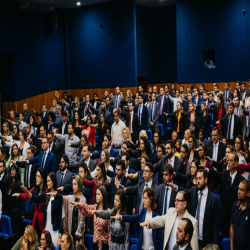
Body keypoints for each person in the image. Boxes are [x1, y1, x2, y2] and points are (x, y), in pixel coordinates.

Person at [170, 169, 220, 248]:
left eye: (200, 178)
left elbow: (216, 225)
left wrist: (215, 245)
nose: (198, 181)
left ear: (206, 180)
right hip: (192, 238)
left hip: (206, 241)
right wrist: (176, 187)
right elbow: (185, 191)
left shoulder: (213, 199)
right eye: (197, 179)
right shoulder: (194, 191)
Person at [204, 152, 245, 239]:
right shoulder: (224, 174)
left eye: (231, 160)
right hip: (223, 216)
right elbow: (215, 174)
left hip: (235, 216)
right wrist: (206, 170)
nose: (228, 162)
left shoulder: (241, 180)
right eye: (228, 160)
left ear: (236, 163)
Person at [21, 172, 62, 247]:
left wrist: (60, 234)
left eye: (49, 181)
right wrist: (27, 191)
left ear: (53, 181)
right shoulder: (46, 195)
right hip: (46, 228)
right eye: (47, 181)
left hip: (55, 231)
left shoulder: (58, 196)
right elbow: (34, 198)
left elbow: (60, 217)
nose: (47, 183)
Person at [47, 175, 86, 244]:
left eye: (75, 184)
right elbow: (63, 197)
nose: (73, 186)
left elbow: (82, 221)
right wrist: (55, 195)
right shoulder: (71, 197)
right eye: (72, 184)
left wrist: (77, 237)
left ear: (79, 185)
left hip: (78, 235)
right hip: (70, 233)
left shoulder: (83, 200)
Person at [72, 185, 110, 250]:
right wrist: (79, 204)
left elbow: (109, 232)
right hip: (95, 242)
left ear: (103, 196)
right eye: (96, 194)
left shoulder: (108, 211)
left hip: (104, 244)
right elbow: (87, 208)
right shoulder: (95, 207)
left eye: (98, 194)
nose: (96, 196)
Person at [12, 168, 47, 239]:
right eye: (36, 176)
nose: (36, 178)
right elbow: (26, 195)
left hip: (43, 221)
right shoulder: (35, 188)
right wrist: (19, 194)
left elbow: (32, 196)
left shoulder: (46, 191)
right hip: (35, 219)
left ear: (43, 179)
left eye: (38, 176)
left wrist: (27, 191)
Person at [0, 164, 23, 240]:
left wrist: (22, 213)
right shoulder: (8, 182)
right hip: (7, 211)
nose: (12, 172)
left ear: (16, 171)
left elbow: (22, 199)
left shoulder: (19, 184)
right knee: (9, 235)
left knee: (16, 234)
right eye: (11, 170)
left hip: (16, 212)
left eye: (14, 170)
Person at [230, 180, 250, 250]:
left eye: (242, 190)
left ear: (248, 193)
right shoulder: (235, 205)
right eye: (238, 189)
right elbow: (232, 227)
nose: (239, 192)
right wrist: (231, 248)